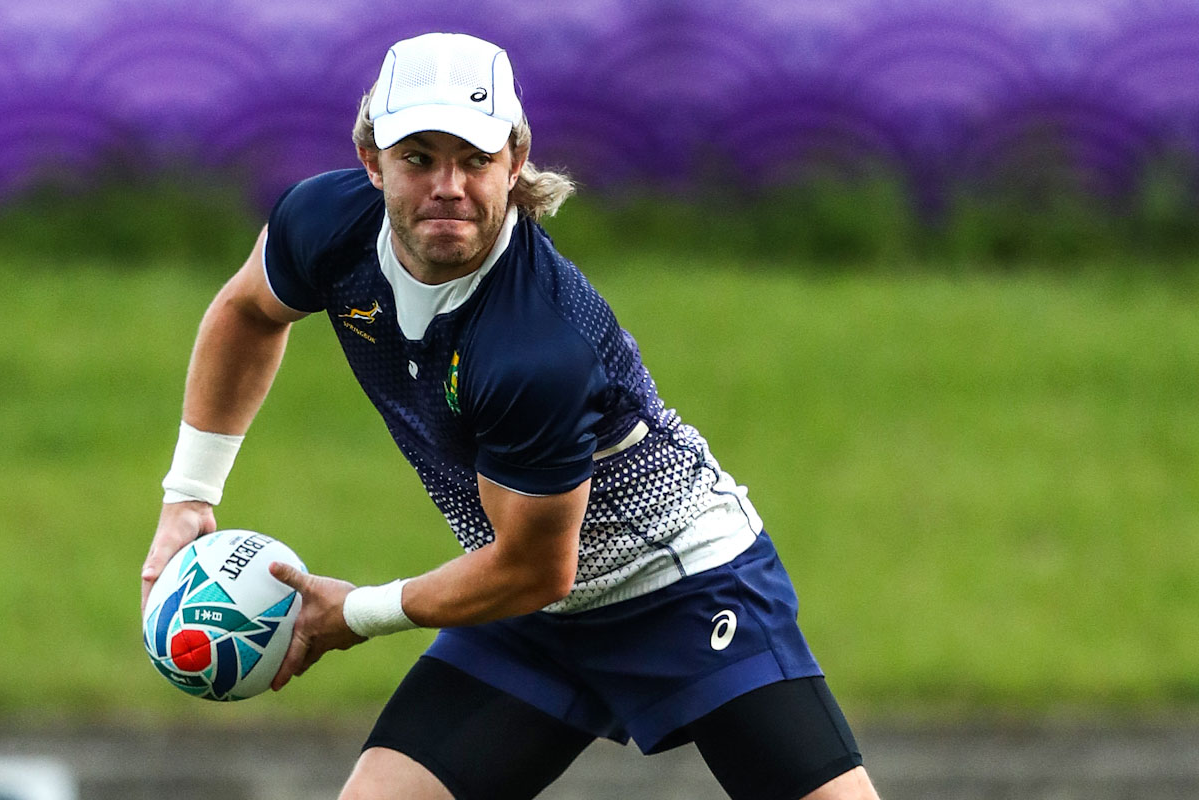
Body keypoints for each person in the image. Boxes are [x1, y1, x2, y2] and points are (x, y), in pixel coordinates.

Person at [142, 31, 881, 800]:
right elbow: (248, 313)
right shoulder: (326, 225)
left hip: (681, 587)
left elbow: (535, 566)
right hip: (527, 611)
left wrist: (354, 613)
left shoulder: (536, 345)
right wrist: (188, 494)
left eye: (475, 158)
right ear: (371, 160)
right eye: (418, 157)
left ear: (516, 158)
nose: (448, 186)